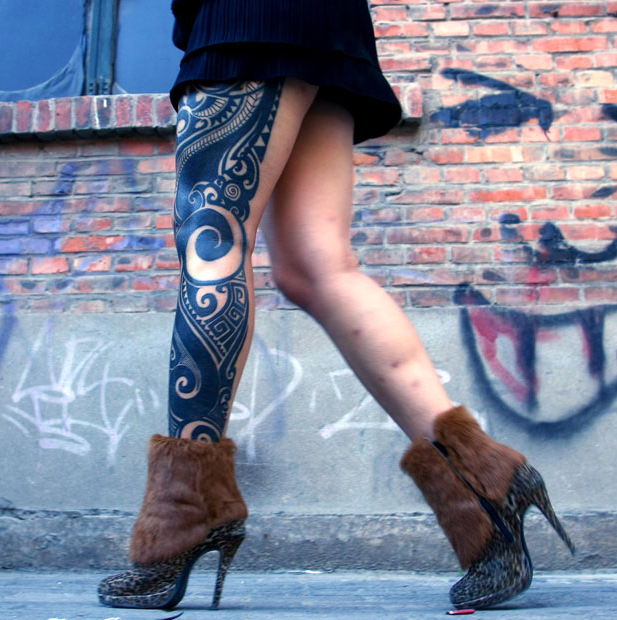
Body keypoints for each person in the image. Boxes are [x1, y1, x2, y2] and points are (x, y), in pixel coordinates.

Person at [97, 0, 573, 611]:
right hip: (325, 21)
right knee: (317, 270)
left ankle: (181, 512)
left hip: (243, 19)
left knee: (212, 240)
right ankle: (482, 477)